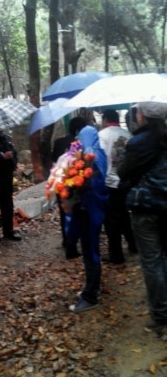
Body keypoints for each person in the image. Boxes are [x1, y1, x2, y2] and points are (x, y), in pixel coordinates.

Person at [117, 102, 167, 331]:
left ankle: (160, 314)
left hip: (145, 209)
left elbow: (124, 172)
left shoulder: (138, 142)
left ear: (143, 116)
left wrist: (123, 151)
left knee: (152, 261)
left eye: (137, 112)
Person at [69, 125, 108, 313]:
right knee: (90, 249)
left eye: (81, 138)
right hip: (93, 210)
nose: (79, 142)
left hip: (89, 211)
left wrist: (70, 189)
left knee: (90, 250)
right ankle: (92, 286)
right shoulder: (98, 152)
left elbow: (88, 184)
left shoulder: (91, 158)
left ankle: (90, 295)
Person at [98, 109, 137, 264]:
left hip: (108, 183)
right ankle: (134, 245)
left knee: (111, 220)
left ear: (105, 119)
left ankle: (116, 254)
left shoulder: (102, 136)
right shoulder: (128, 135)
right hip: (125, 182)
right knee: (125, 214)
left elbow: (99, 159)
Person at [52, 116, 86, 258]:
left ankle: (67, 240)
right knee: (78, 213)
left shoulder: (59, 142)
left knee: (64, 212)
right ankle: (76, 242)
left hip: (61, 182)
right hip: (78, 183)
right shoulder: (83, 143)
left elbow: (54, 161)